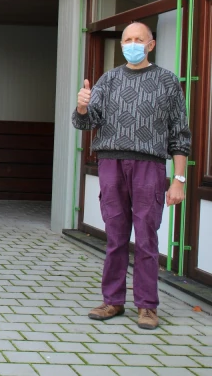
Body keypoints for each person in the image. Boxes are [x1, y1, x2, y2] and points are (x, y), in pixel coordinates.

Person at [73, 22, 191, 330]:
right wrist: (82, 107)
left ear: (151, 45)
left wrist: (179, 180)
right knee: (115, 237)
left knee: (147, 238)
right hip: (111, 163)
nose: (132, 44)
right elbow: (85, 123)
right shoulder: (109, 79)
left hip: (149, 166)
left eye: (139, 39)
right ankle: (112, 300)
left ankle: (147, 306)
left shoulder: (167, 81)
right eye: (127, 39)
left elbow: (180, 134)